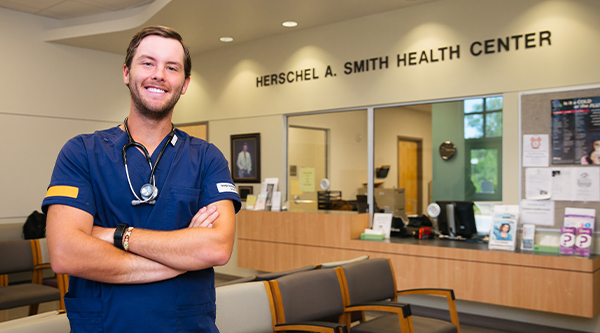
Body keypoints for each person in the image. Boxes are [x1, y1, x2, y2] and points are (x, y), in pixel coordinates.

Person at [42, 26, 241, 332]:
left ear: (185, 83)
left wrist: (118, 235)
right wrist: (181, 258)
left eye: (171, 67)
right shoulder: (81, 152)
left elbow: (216, 248)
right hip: (106, 325)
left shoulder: (206, 158)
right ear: (126, 72)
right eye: (148, 63)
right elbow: (65, 253)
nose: (159, 74)